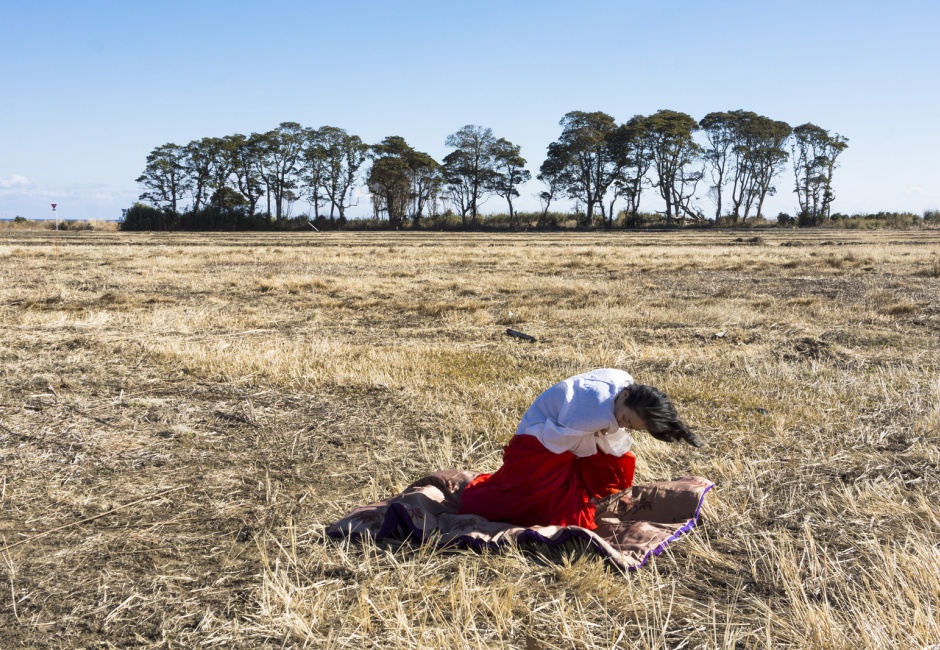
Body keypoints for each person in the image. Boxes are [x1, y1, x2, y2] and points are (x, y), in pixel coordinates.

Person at [458, 369, 704, 530]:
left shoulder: (622, 381)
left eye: (631, 427)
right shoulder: (595, 413)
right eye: (626, 419)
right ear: (626, 395)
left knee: (613, 468)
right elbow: (563, 445)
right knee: (564, 515)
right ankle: (482, 500)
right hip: (540, 444)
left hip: (559, 433)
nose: (622, 426)